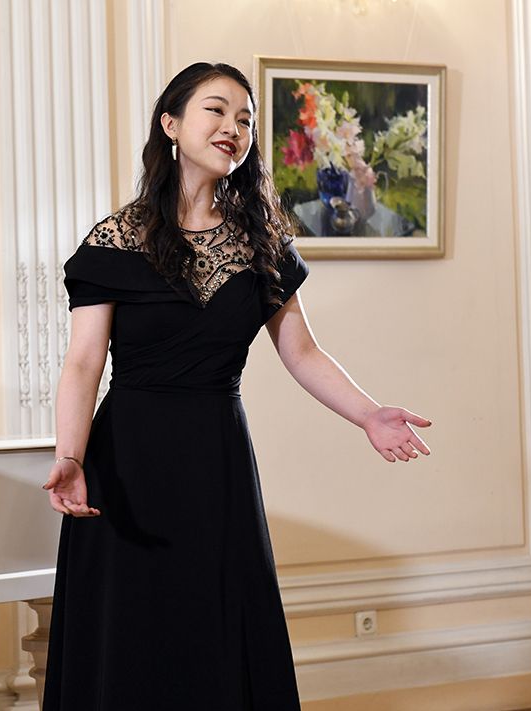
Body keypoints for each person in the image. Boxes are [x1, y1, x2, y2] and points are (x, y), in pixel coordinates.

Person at [39, 61, 432, 710]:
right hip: (126, 459)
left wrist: (368, 414)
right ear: (171, 124)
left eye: (246, 119)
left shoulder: (262, 243)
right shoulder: (115, 240)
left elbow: (302, 352)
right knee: (129, 629)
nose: (234, 128)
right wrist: (71, 456)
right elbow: (83, 362)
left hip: (215, 459)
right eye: (217, 110)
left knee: (217, 623)